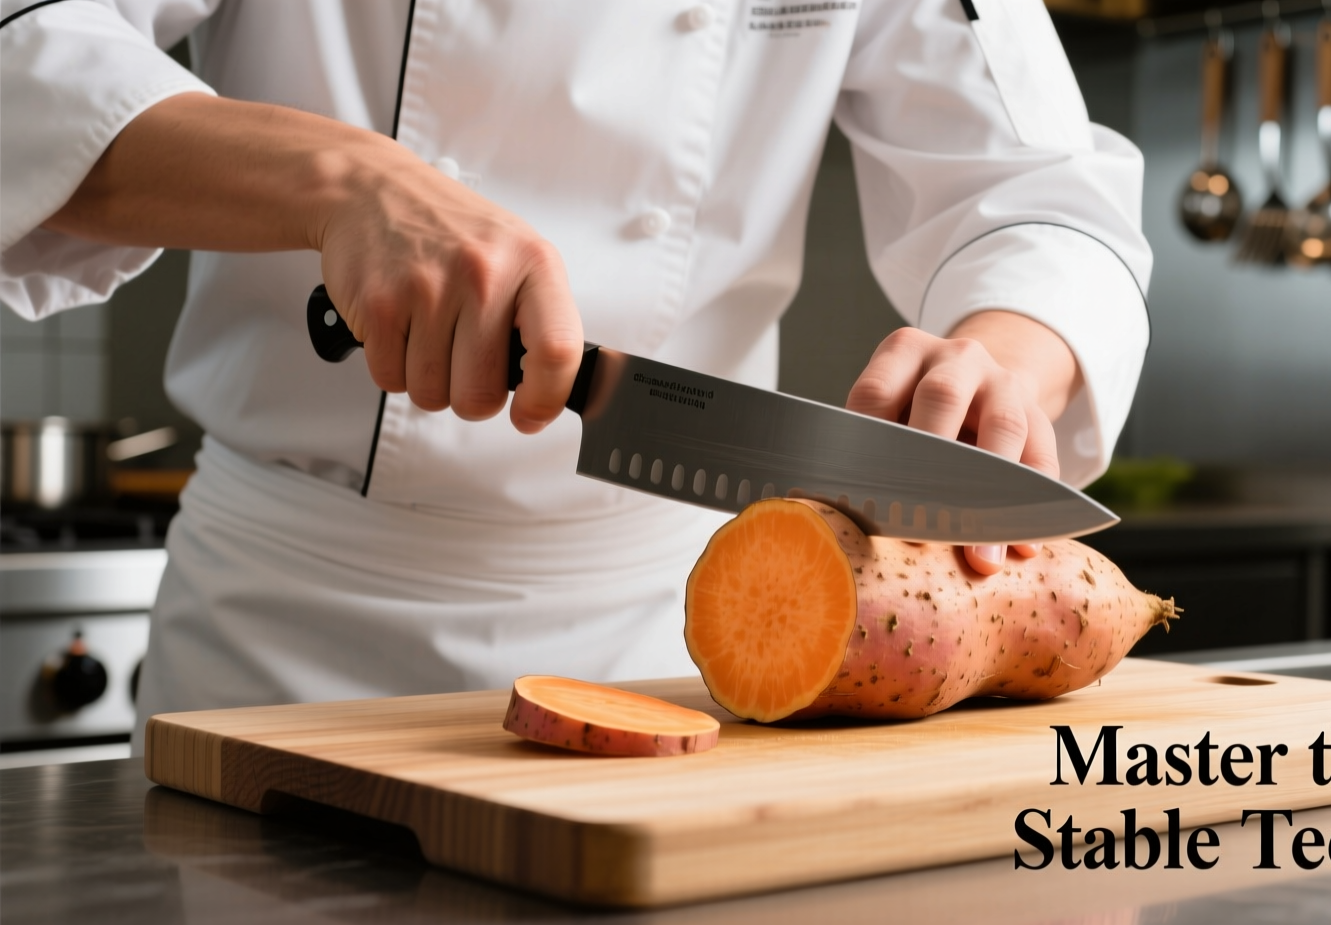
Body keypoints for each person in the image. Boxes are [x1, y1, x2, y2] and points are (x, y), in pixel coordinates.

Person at [0, 0, 1151, 743]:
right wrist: (342, 179)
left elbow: (1039, 190)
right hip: (286, 640)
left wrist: (1004, 352)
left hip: (668, 648)